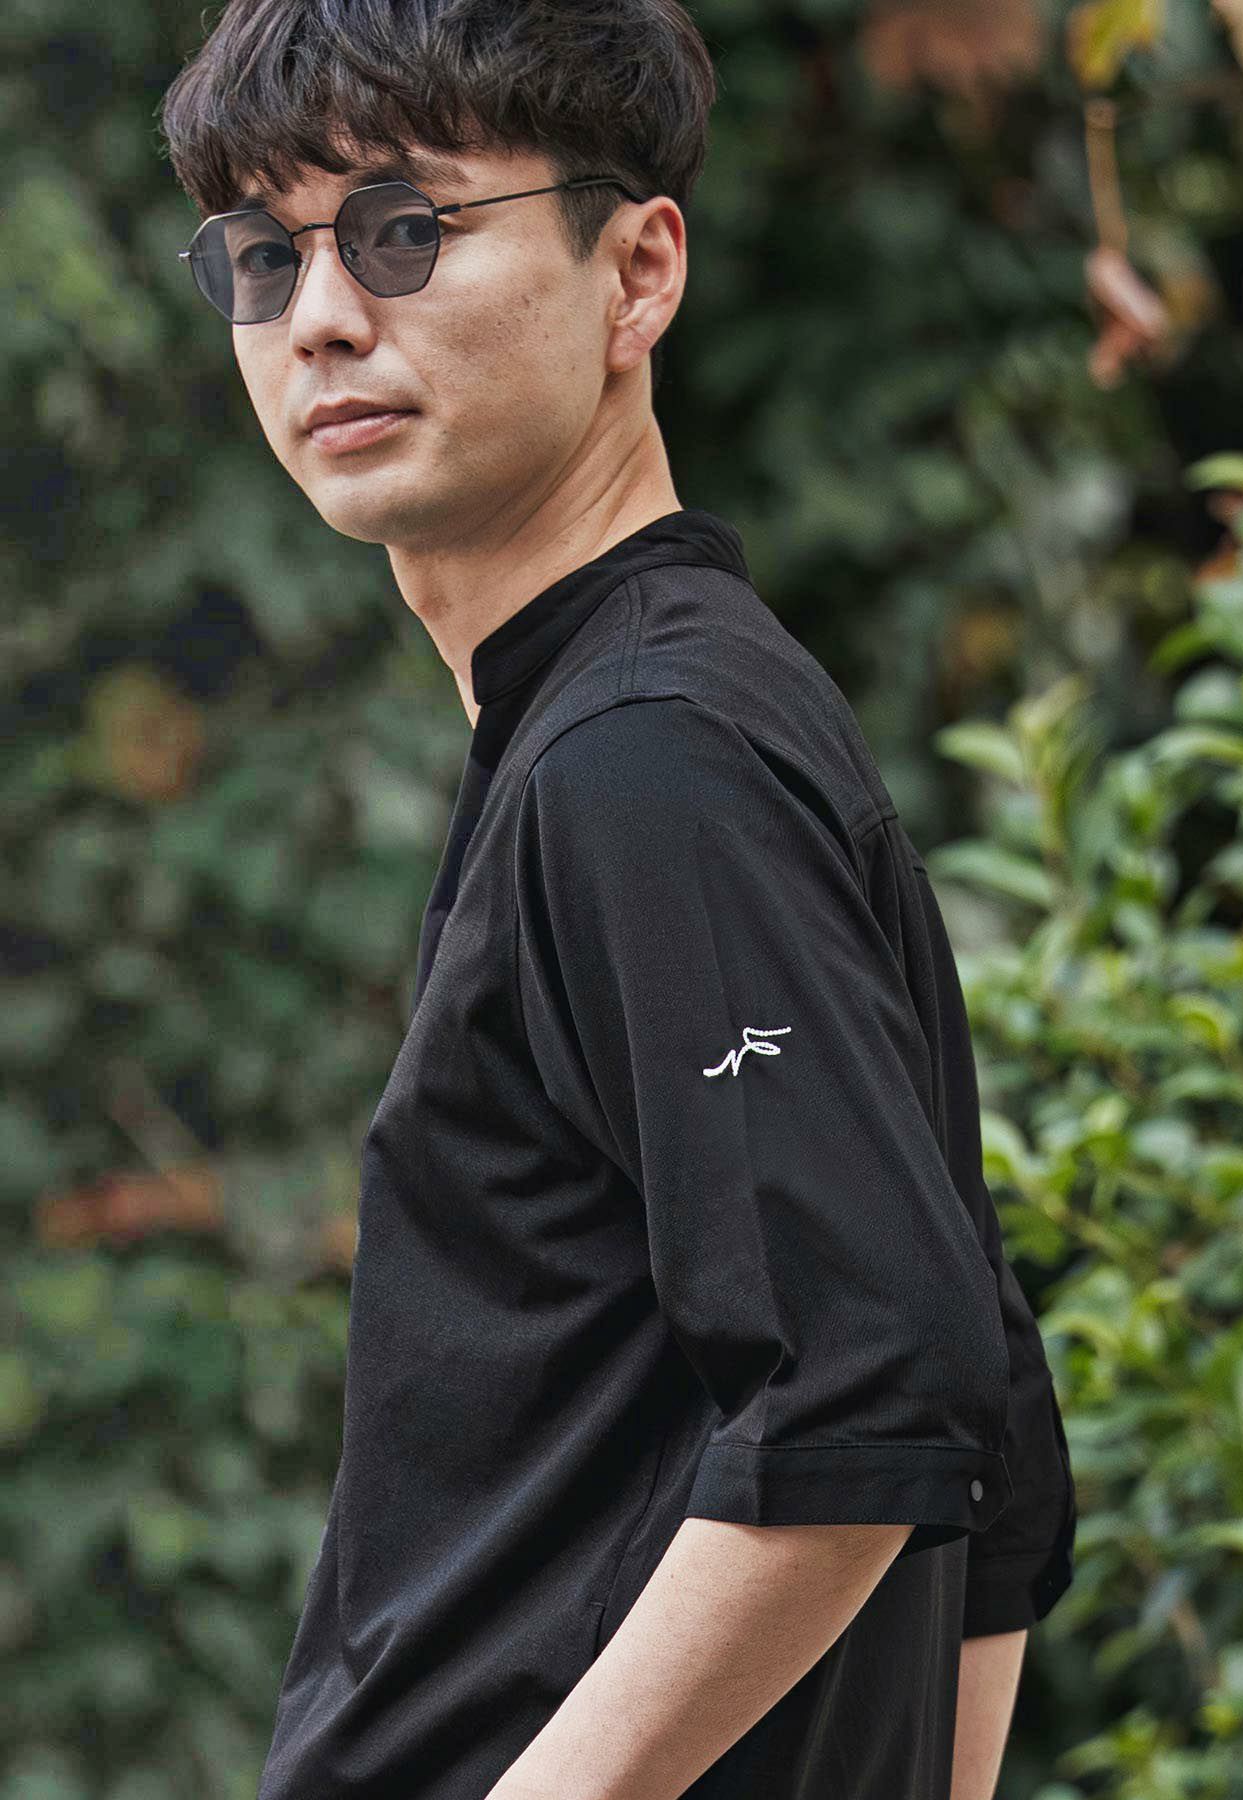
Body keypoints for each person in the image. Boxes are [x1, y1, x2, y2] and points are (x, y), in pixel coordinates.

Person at [158, 4, 1076, 1797]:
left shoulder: (647, 756)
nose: (321, 313)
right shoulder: (655, 720)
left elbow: (877, 1387)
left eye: (404, 229)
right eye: (266, 257)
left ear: (637, 272)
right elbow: (993, 1449)